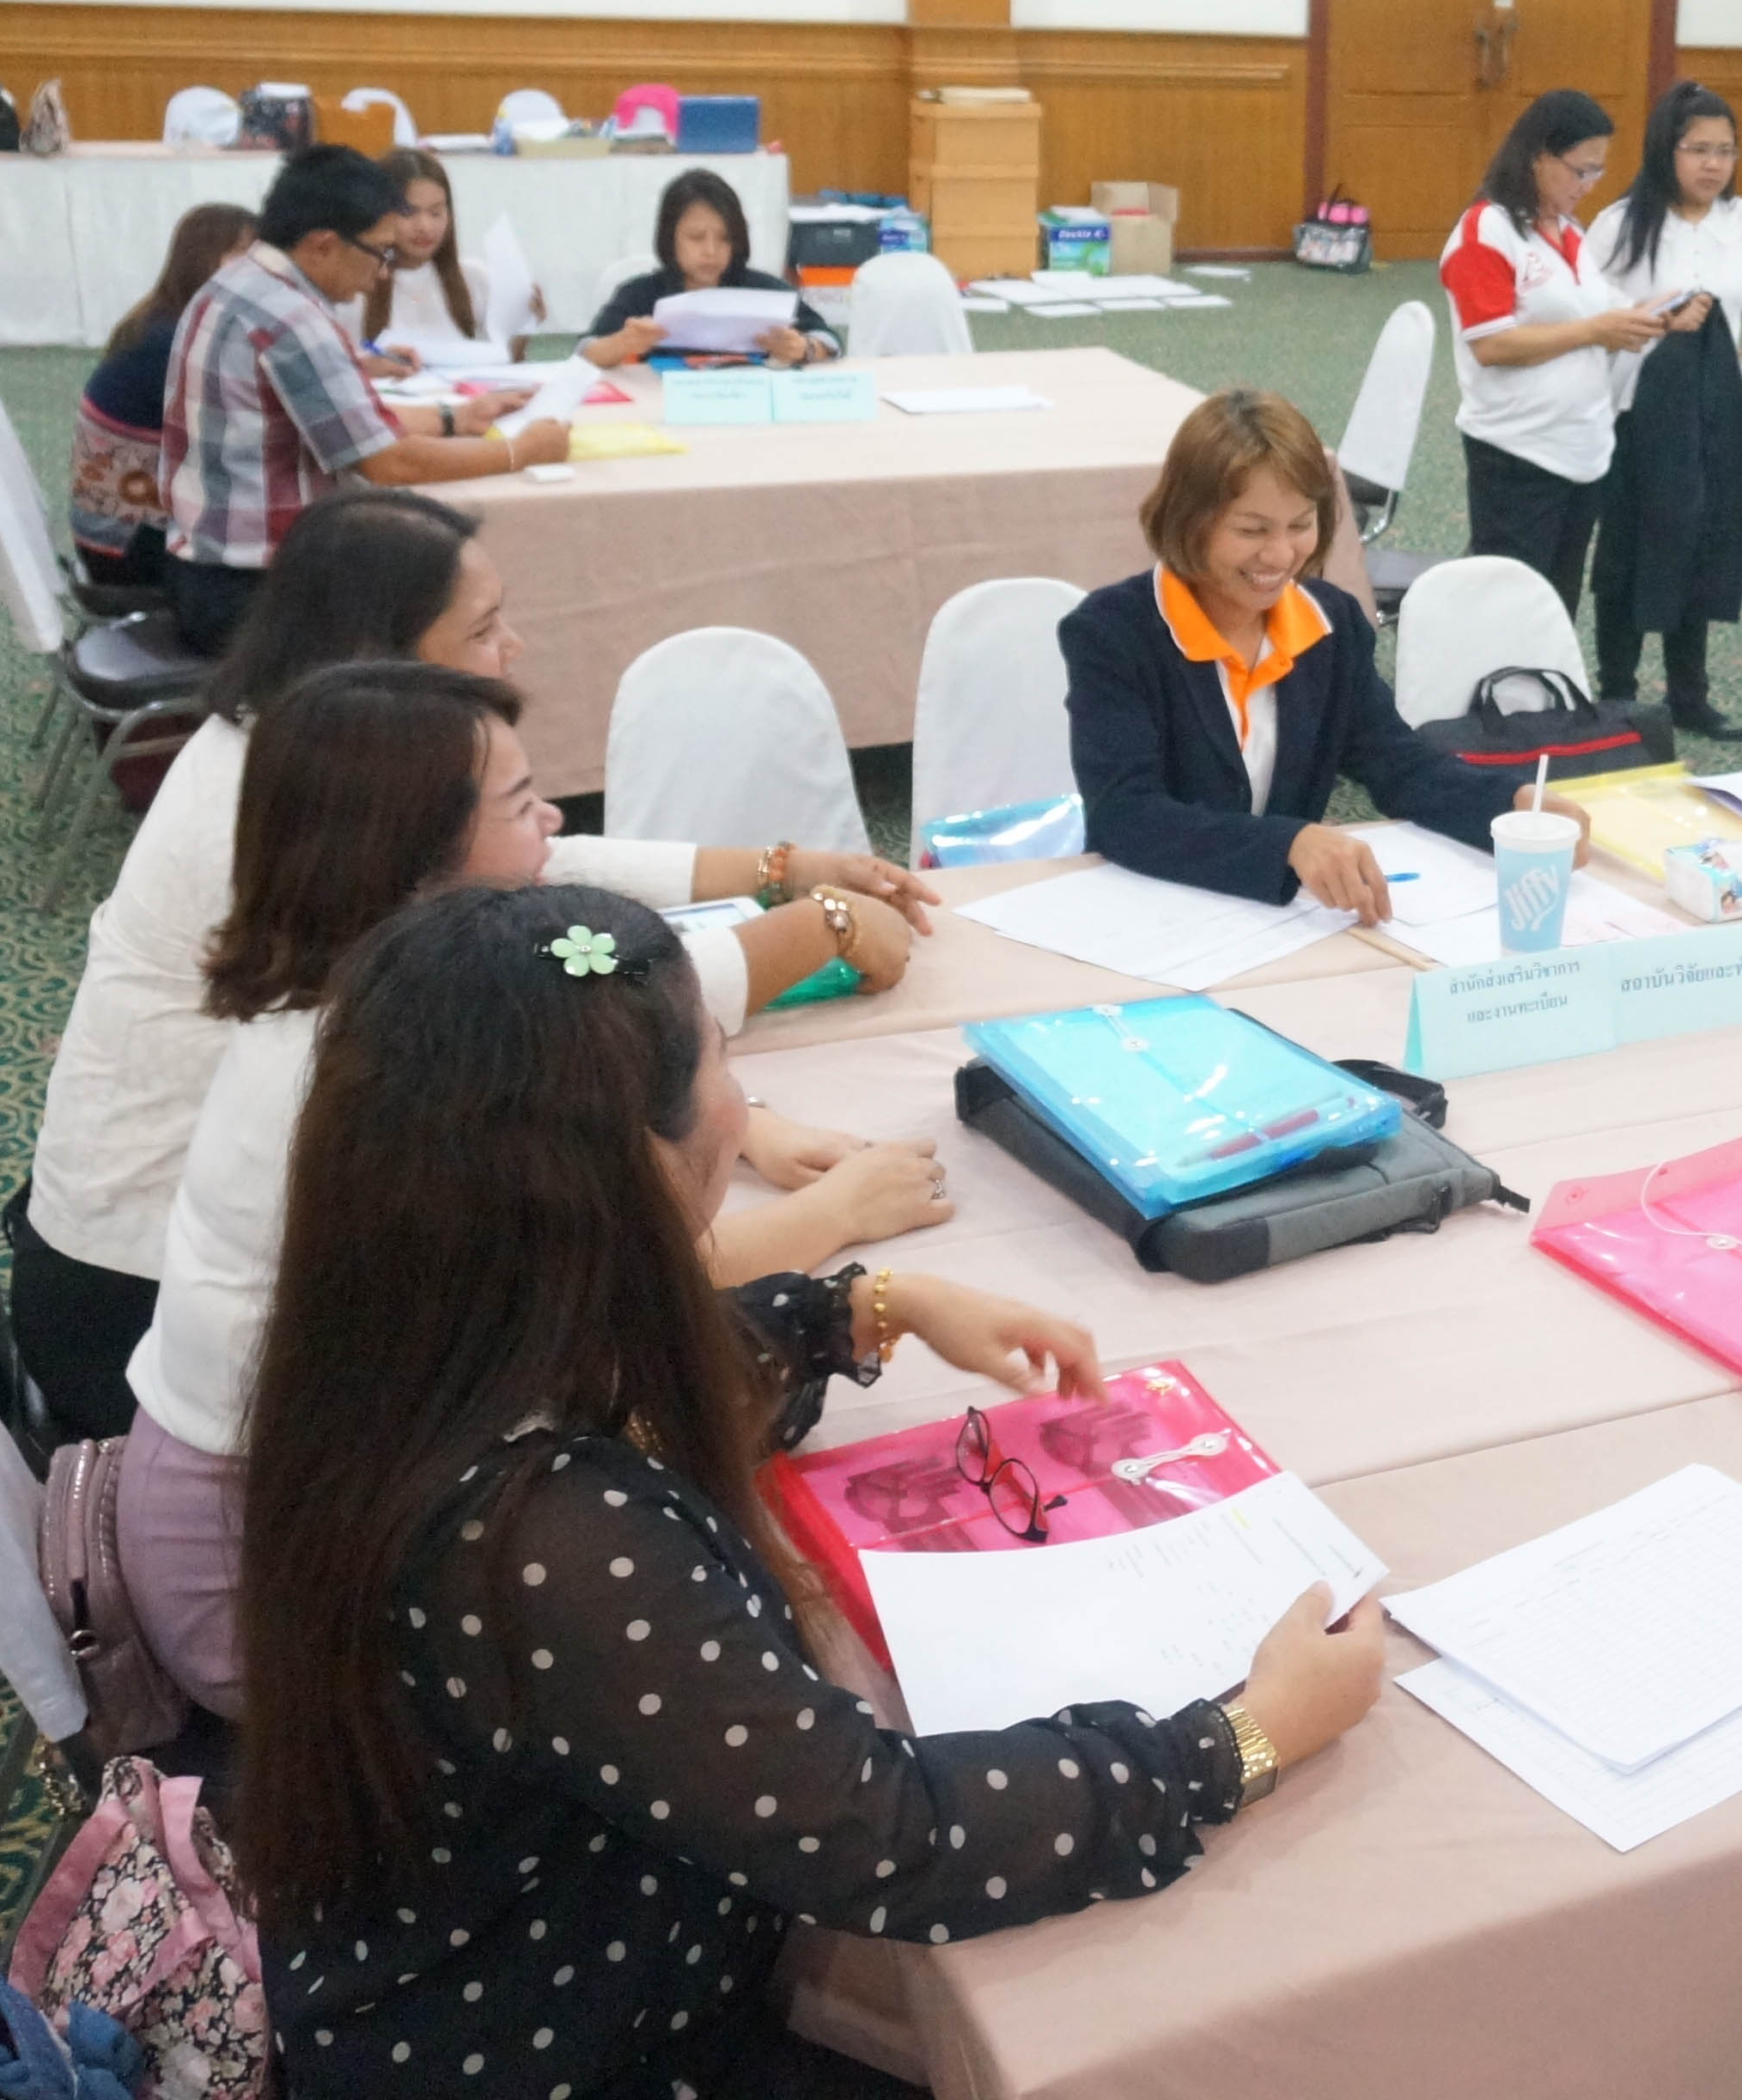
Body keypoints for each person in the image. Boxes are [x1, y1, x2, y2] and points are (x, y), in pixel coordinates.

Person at [234, 881, 1386, 2095]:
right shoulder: (547, 1539)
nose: (741, 1107)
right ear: (636, 1166)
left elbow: (653, 1388)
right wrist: (1236, 1739)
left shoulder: (416, 1338)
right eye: (725, 1061)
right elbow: (882, 1838)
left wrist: (862, 1309)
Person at [7, 487, 939, 1441]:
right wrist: (815, 936)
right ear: (386, 655)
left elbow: (529, 862)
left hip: (183, 1318)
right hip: (139, 1306)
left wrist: (778, 875)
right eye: (485, 628)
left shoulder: (308, 770)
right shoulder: (400, 1002)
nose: (514, 647)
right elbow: (593, 1039)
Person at [114, 664, 930, 1719]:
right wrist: (837, 1217)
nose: (554, 821)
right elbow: (609, 1284)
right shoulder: (375, 1069)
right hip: (267, 1591)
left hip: (293, 1502)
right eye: (520, 802)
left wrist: (756, 1137)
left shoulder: (374, 1013)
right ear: (414, 856)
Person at [1063, 389, 1581, 923]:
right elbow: (1125, 814)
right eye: (1251, 530)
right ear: (1189, 520)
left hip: (1276, 922)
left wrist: (1510, 805)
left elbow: (1398, 763)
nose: (1280, 554)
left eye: (1300, 525)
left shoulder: (1330, 625)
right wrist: (1287, 844)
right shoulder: (1113, 632)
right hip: (1150, 913)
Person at [159, 144, 572, 654]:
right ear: (323, 244)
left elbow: (342, 416)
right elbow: (389, 463)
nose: (382, 272)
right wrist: (521, 452)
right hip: (256, 591)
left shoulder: (240, 282)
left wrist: (454, 417)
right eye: (380, 252)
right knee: (440, 617)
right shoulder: (292, 317)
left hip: (206, 567)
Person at [1592, 81, 1742, 742]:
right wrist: (1656, 317)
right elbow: (1587, 305)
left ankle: (1689, 695)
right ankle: (1618, 691)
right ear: (1666, 150)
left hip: (1716, 409)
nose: (1713, 165)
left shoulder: (1741, 218)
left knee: (1704, 540)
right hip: (1638, 412)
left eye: (1725, 151)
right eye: (1698, 150)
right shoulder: (1622, 223)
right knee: (1633, 545)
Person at [1437, 86, 1665, 608]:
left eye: (1598, 171)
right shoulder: (1486, 230)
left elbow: (1594, 306)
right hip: (1517, 451)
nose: (1588, 185)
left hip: (1581, 448)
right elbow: (1492, 344)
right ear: (1538, 155)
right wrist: (1596, 332)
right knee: (1508, 608)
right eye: (1580, 170)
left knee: (1556, 607)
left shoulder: (1568, 231)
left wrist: (1651, 315)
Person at [69, 200, 250, 592]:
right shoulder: (176, 342)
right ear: (205, 261)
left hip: (113, 525)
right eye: (244, 257)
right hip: (126, 543)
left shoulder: (164, 319)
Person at [581, 166, 838, 368]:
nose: (711, 251)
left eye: (725, 238)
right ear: (669, 238)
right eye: (696, 238)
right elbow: (585, 352)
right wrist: (623, 343)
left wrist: (805, 348)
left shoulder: (765, 291)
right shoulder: (641, 293)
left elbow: (829, 340)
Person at [357, 143, 541, 362]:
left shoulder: (475, 278)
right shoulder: (357, 286)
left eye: (436, 213)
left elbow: (504, 363)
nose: (425, 226)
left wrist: (524, 327)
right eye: (408, 212)